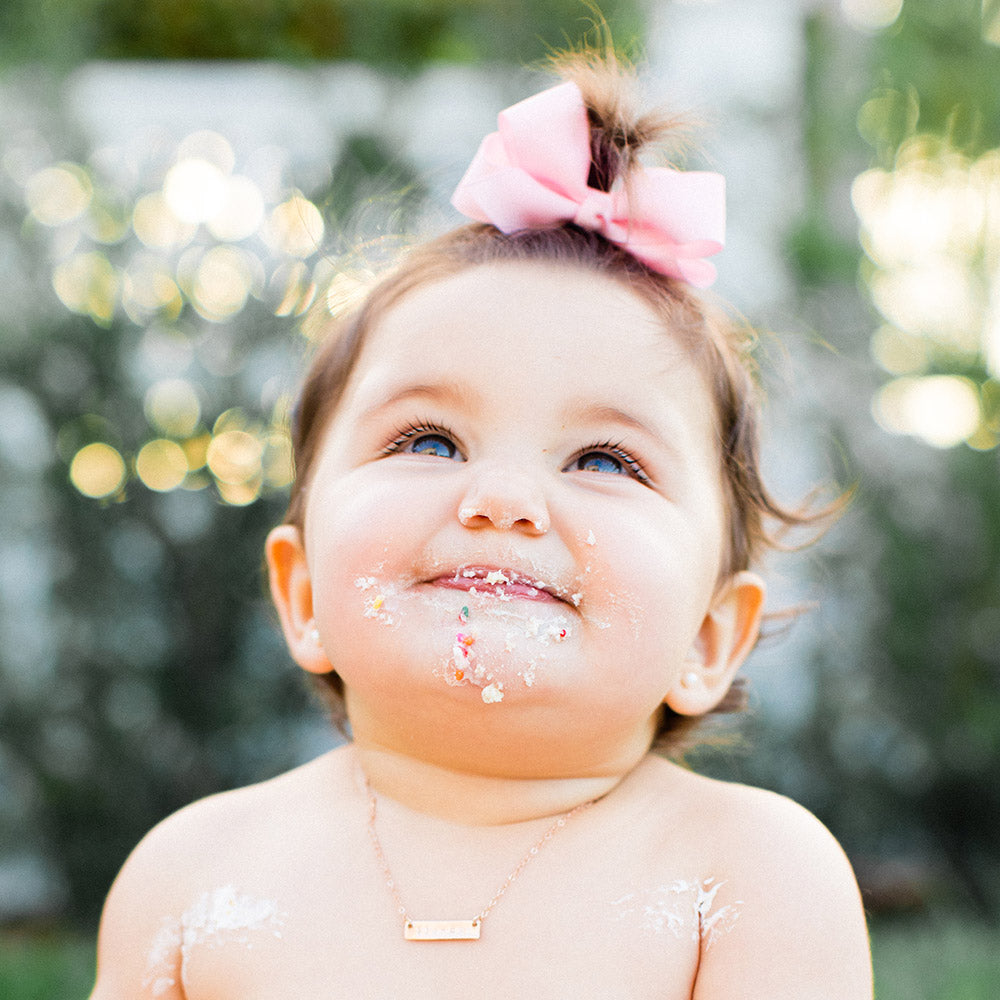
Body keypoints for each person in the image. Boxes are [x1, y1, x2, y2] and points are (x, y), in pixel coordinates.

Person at [90, 51, 873, 999]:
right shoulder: (194, 878)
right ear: (301, 596)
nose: (502, 500)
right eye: (427, 442)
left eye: (602, 461)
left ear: (709, 638)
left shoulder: (747, 877)